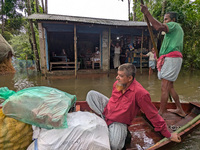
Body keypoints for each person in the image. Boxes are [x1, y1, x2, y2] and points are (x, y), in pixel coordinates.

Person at [86, 63, 181, 150]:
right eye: (118, 74)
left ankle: (119, 130)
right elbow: (113, 100)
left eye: (121, 76)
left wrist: (168, 135)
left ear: (130, 78)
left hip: (119, 120)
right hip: (109, 111)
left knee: (115, 146)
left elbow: (153, 115)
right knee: (91, 95)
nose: (117, 78)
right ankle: (108, 123)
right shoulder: (117, 84)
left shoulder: (140, 93)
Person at [141, 5, 186, 117]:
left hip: (172, 58)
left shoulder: (174, 25)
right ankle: (180, 109)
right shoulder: (174, 30)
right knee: (170, 86)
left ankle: (161, 112)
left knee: (164, 86)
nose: (164, 21)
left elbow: (158, 26)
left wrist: (147, 13)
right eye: (164, 19)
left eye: (166, 19)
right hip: (171, 58)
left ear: (173, 20)